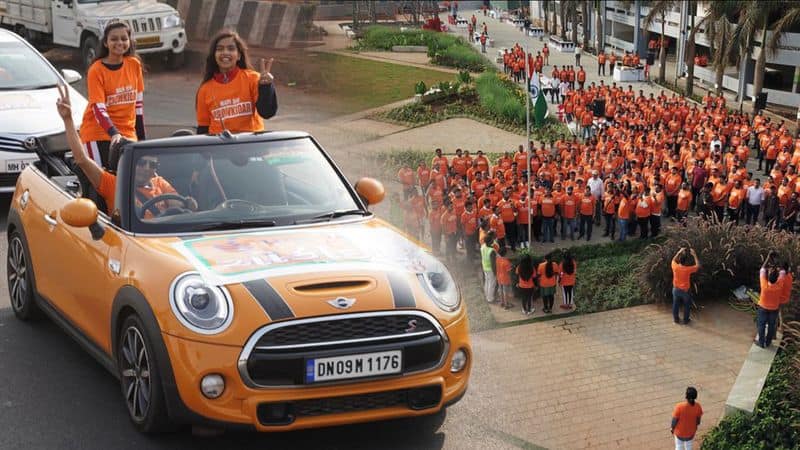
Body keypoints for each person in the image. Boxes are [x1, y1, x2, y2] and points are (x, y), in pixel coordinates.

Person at [57, 83, 194, 217]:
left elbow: (178, 206)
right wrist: (68, 120)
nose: (147, 168)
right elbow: (81, 159)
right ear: (130, 164)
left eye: (152, 165)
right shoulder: (114, 184)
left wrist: (188, 205)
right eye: (141, 163)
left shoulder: (159, 182)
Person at [80, 21, 146, 170]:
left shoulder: (134, 65)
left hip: (127, 134)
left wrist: (142, 138)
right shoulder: (96, 70)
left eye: (124, 38)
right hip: (99, 133)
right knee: (102, 181)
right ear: (105, 43)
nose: (119, 42)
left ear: (130, 41)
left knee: (128, 180)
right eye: (114, 39)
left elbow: (138, 106)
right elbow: (98, 109)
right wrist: (114, 133)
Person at [196, 30, 278, 135]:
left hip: (250, 144)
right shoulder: (204, 90)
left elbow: (267, 113)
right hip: (218, 146)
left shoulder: (253, 79)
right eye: (220, 49)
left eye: (231, 49)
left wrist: (266, 87)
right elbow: (203, 129)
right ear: (214, 56)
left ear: (239, 55)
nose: (225, 52)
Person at [756, 251, 784, 348]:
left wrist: (768, 257)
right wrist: (778, 260)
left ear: (768, 278)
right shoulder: (779, 285)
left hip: (763, 307)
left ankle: (761, 342)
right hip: (774, 309)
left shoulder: (764, 285)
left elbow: (762, 269)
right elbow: (783, 271)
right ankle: (768, 342)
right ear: (778, 279)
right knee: (772, 326)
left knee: (761, 325)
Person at [671, 247, 699, 324]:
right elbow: (697, 266)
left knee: (675, 304)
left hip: (675, 289)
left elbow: (673, 260)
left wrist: (679, 252)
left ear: (679, 260)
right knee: (687, 305)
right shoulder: (687, 269)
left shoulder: (675, 266)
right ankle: (686, 320)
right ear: (686, 262)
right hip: (685, 291)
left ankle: (676, 319)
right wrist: (694, 255)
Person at [481, 233, 498, 304]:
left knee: (487, 282)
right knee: (492, 284)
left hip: (484, 267)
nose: (492, 241)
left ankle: (487, 296)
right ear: (489, 241)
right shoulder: (492, 251)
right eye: (491, 240)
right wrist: (495, 272)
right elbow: (493, 263)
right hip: (490, 269)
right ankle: (490, 299)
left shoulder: (483, 246)